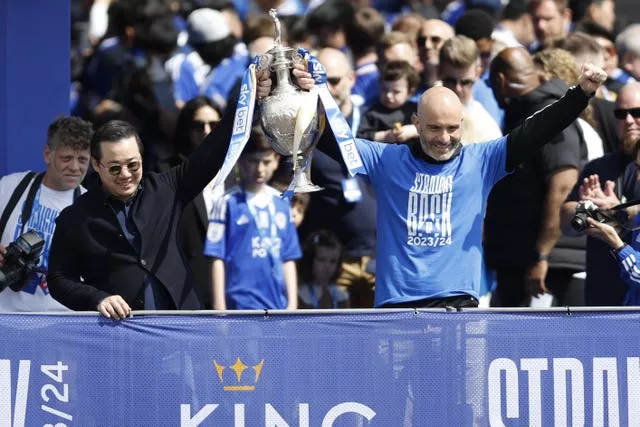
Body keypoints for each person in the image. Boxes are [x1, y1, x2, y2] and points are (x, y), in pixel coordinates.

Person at [296, 52, 607, 308]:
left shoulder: (482, 161)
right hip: (396, 307)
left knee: (458, 386)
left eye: (452, 128)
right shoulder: (385, 160)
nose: (444, 139)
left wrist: (580, 95)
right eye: (433, 129)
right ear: (416, 123)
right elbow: (327, 139)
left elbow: (537, 130)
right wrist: (298, 94)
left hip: (458, 306)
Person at [46, 67, 272, 319]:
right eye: (114, 167)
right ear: (96, 165)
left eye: (133, 164)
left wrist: (250, 98)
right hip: (121, 337)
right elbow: (58, 279)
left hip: (183, 327)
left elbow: (213, 149)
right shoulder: (76, 217)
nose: (125, 174)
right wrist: (97, 298)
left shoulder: (166, 187)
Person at [484, 47, 588, 307]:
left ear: (501, 81)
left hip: (546, 268)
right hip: (522, 261)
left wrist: (541, 256)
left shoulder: (550, 114)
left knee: (541, 347)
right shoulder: (523, 114)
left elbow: (563, 186)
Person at [301, 47, 377, 308]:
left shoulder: (372, 120)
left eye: (333, 80)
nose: (328, 88)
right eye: (320, 81)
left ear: (352, 78)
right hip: (330, 259)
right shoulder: (305, 128)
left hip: (376, 254)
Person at [0, 117, 93, 311]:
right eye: (66, 158)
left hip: (61, 322)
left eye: (82, 159)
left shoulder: (92, 206)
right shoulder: (10, 186)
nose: (75, 168)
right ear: (47, 154)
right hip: (6, 315)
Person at [561, 82, 640, 306]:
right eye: (621, 114)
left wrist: (616, 211)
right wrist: (585, 208)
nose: (630, 121)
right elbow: (565, 218)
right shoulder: (599, 167)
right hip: (602, 299)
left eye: (637, 113)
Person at [204, 128, 301, 310]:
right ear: (240, 160)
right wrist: (219, 308)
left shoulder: (282, 202)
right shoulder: (225, 203)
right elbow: (216, 258)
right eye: (253, 161)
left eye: (266, 162)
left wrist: (292, 304)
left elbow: (289, 257)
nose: (260, 169)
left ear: (276, 161)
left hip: (277, 305)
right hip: (239, 306)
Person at [170, 97, 224, 309]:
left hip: (233, 287)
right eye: (198, 125)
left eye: (214, 124)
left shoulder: (235, 172)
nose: (206, 131)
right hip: (189, 288)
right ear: (185, 129)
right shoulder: (169, 173)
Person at [437, 35, 502, 144]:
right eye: (450, 81)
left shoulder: (486, 129)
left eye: (466, 82)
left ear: (478, 73)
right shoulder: (421, 109)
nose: (457, 89)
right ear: (438, 72)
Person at [357, 61, 420, 145]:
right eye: (384, 89)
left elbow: (432, 130)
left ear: (410, 92)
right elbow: (361, 137)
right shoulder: (373, 113)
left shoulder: (417, 110)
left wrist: (413, 130)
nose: (388, 95)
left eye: (396, 92)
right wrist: (385, 136)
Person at [297, 230, 350, 309]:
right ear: (309, 261)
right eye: (321, 260)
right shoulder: (301, 295)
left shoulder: (341, 296)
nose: (327, 266)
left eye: (332, 261)